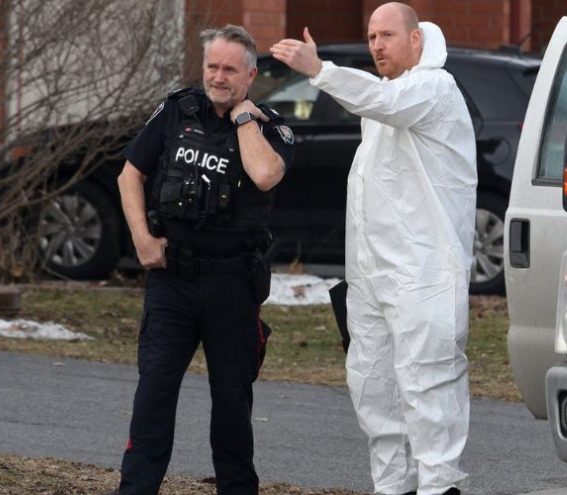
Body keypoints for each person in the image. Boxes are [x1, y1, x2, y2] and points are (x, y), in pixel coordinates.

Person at [270, 4, 476, 495]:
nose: (377, 45)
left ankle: (438, 485)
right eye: (371, 36)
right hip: (373, 276)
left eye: (387, 35)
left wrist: (320, 70)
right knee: (373, 389)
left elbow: (384, 103)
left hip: (424, 273)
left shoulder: (432, 89)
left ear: (417, 40)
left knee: (428, 385)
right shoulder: (385, 99)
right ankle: (391, 486)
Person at [114, 24, 293, 495]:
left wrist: (244, 119)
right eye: (212, 66)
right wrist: (142, 240)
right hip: (172, 280)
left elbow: (265, 174)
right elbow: (129, 175)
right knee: (153, 394)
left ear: (250, 75)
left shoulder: (269, 126)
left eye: (229, 69)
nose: (217, 76)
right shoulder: (177, 111)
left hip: (232, 285)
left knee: (232, 404)